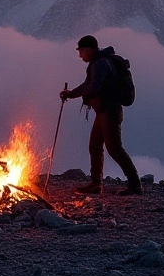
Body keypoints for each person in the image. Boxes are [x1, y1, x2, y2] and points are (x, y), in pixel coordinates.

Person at [60, 35, 143, 195]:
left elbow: (93, 87)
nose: (80, 55)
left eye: (82, 51)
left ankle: (135, 184)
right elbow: (88, 85)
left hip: (109, 112)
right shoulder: (99, 62)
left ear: (89, 49)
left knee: (114, 148)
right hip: (104, 111)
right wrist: (70, 94)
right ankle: (96, 184)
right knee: (95, 145)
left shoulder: (100, 64)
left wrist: (71, 95)